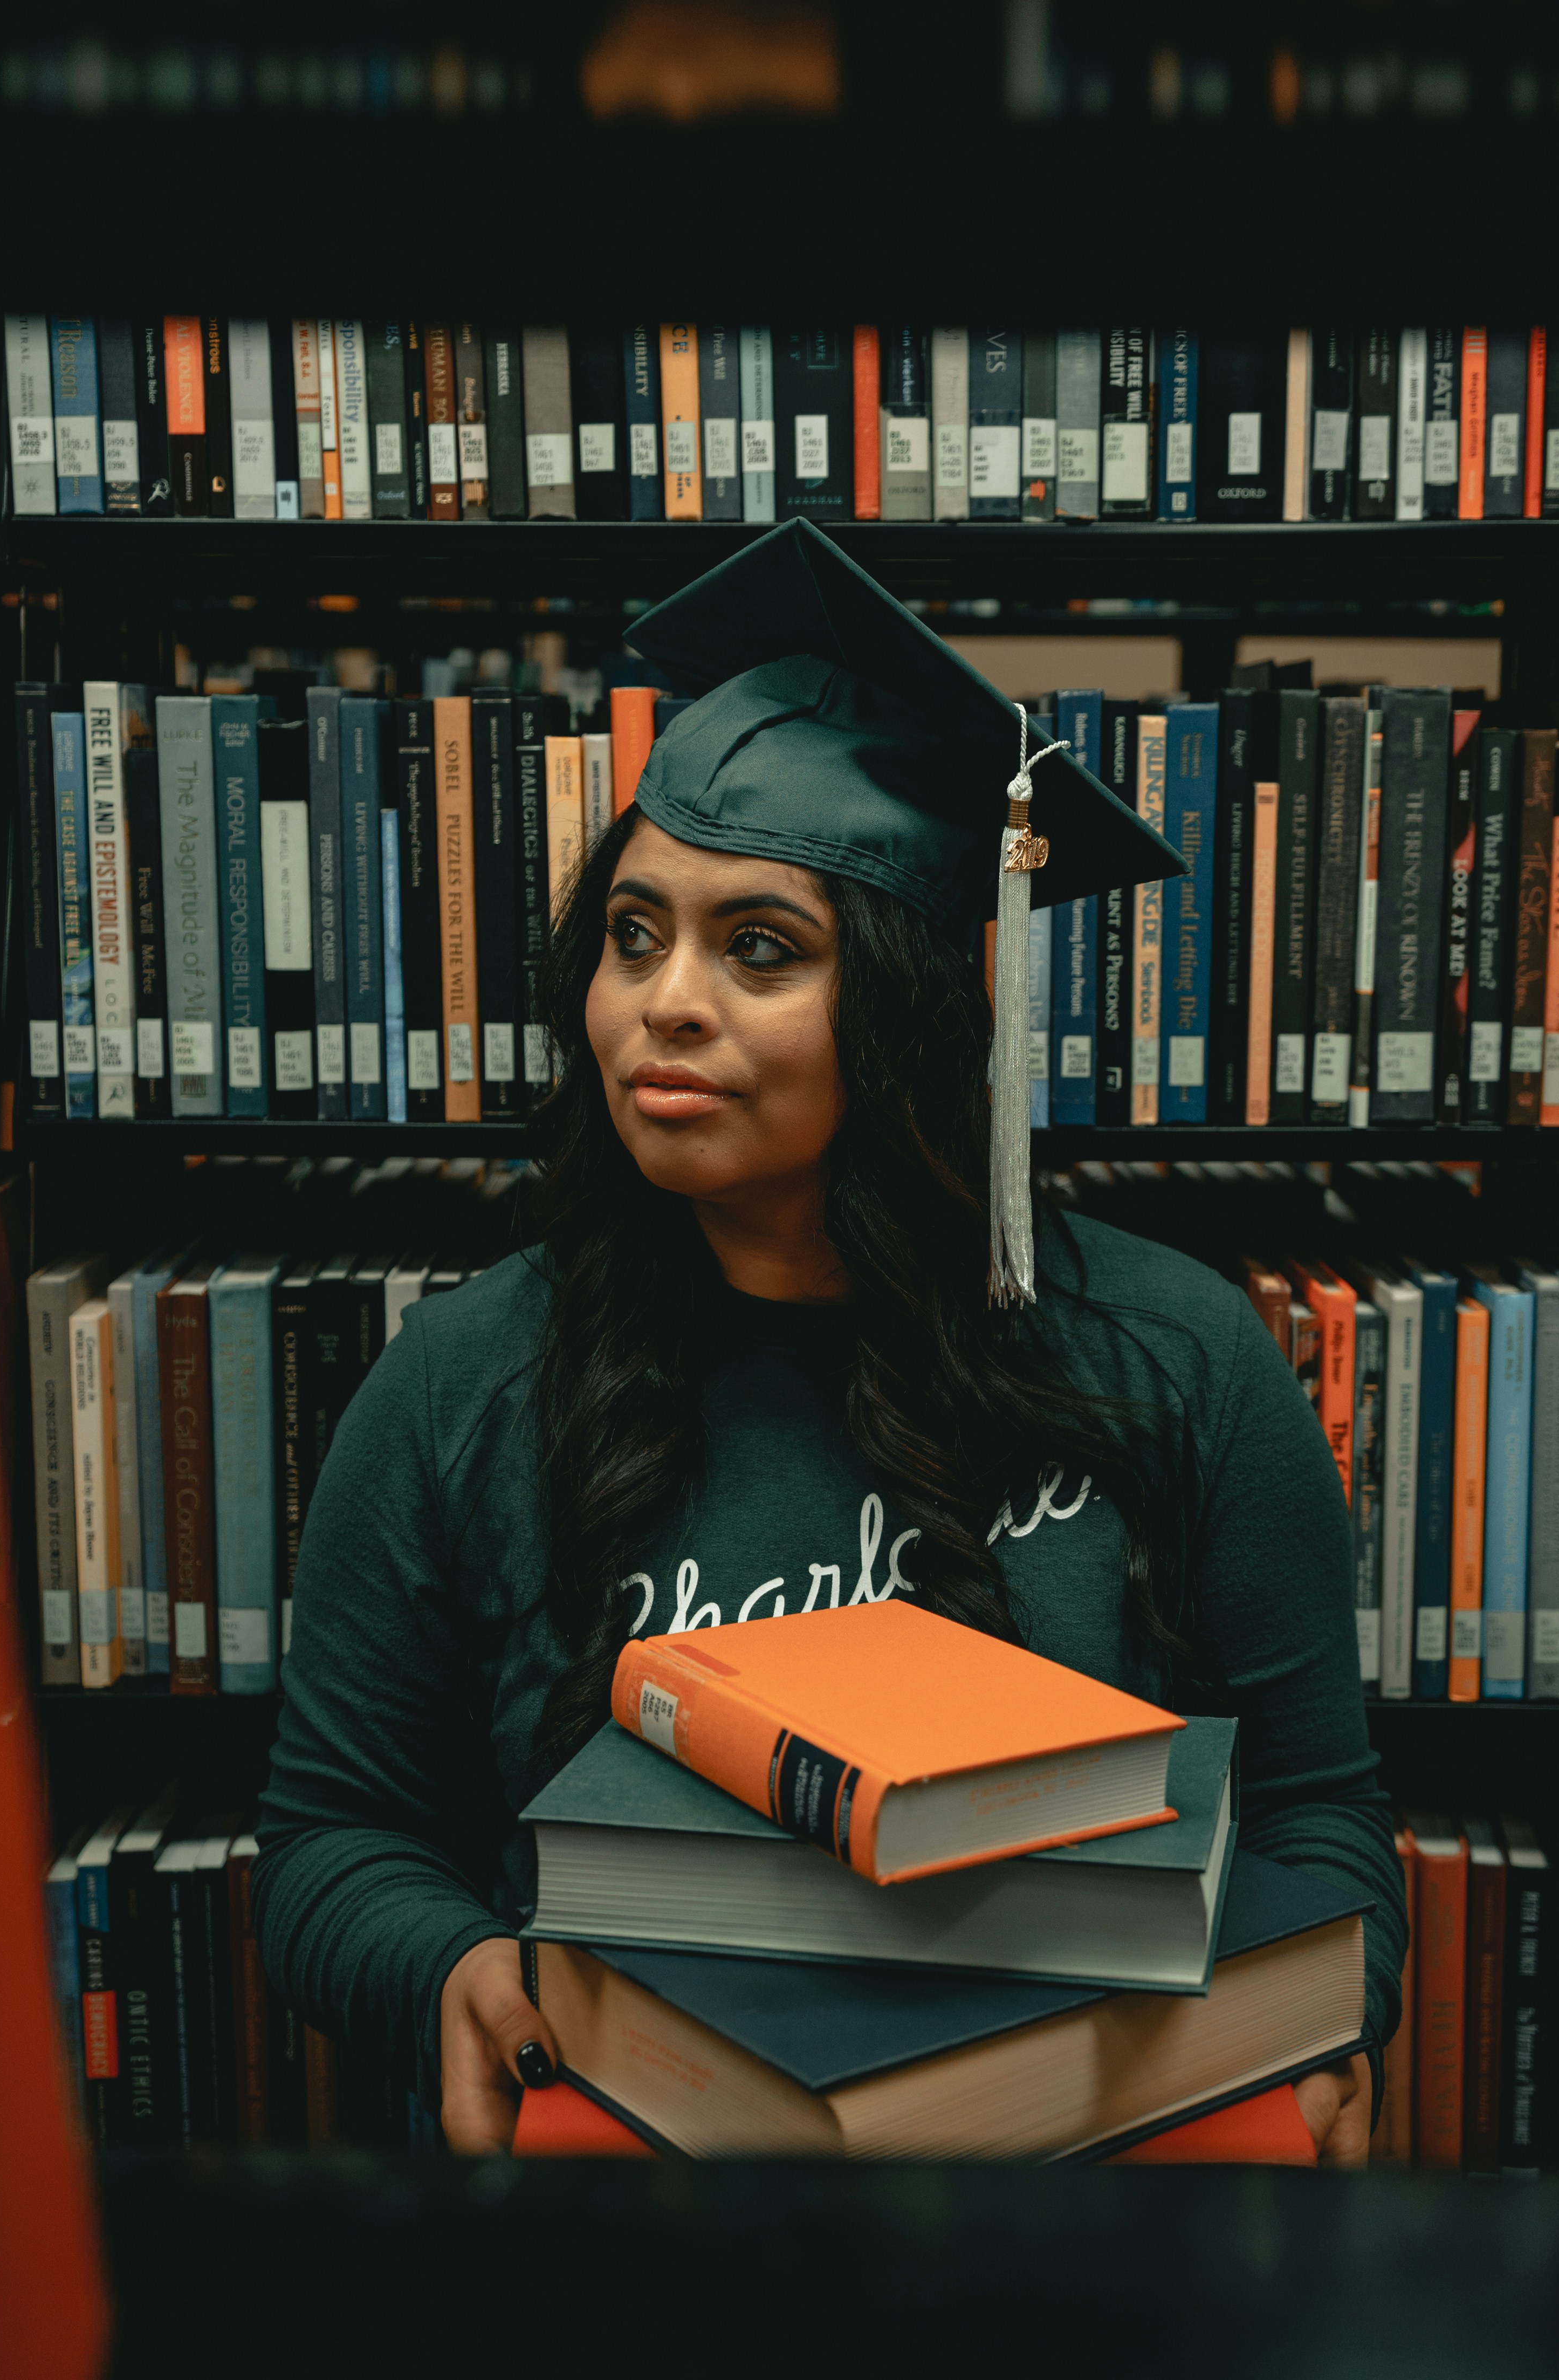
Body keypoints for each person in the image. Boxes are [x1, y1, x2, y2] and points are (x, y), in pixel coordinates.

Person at [253, 522, 1406, 2165]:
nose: (664, 1001)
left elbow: (1319, 1810)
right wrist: (440, 1958)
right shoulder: (465, 1383)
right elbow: (330, 1836)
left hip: (1081, 2196)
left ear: (913, 1013)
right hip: (635, 2195)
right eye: (634, 934)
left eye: (761, 947)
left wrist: (1324, 2008)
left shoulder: (1175, 1360)